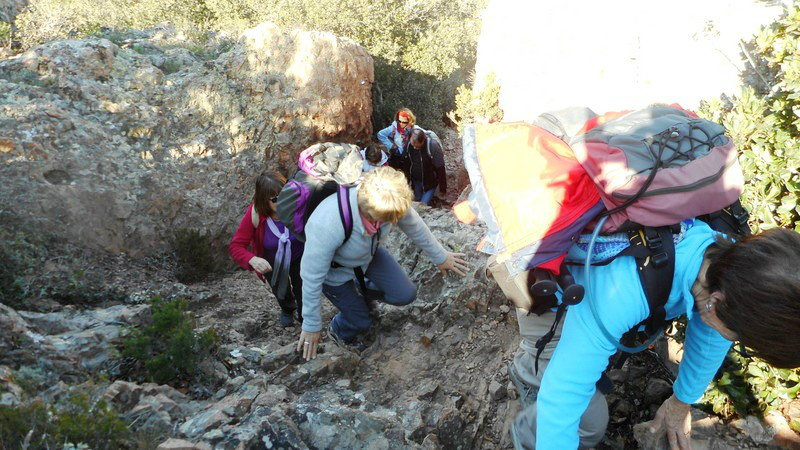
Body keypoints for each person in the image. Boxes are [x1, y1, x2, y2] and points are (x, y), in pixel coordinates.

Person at [503, 222, 800, 450]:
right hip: (549, 295)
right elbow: (564, 394)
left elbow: (711, 335)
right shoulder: (624, 294)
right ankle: (528, 378)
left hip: (596, 294)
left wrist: (681, 402)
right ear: (717, 301)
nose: (735, 341)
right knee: (590, 425)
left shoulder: (728, 261)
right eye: (741, 338)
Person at [295, 166, 469, 360]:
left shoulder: (391, 198)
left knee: (405, 294)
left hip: (367, 256)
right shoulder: (328, 223)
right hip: (334, 274)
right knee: (362, 321)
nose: (388, 223)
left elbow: (414, 226)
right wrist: (311, 325)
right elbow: (311, 276)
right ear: (369, 211)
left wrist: (441, 257)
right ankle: (339, 328)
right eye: (383, 220)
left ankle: (359, 293)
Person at [230, 172, 304, 327]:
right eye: (275, 199)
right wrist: (252, 259)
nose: (282, 201)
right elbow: (236, 246)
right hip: (271, 261)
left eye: (285, 195)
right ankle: (287, 309)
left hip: (299, 256)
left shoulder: (298, 205)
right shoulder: (255, 214)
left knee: (303, 288)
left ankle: (305, 316)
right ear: (264, 201)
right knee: (280, 290)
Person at [406, 128, 447, 204]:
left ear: (423, 140)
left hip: (430, 183)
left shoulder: (433, 146)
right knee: (417, 199)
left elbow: (440, 168)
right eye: (413, 145)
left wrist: (442, 189)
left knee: (423, 204)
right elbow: (408, 163)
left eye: (417, 146)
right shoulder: (409, 145)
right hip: (416, 181)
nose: (414, 148)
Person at [377, 108, 421, 173]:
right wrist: (391, 146)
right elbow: (380, 134)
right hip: (397, 156)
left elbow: (425, 135)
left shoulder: (415, 129)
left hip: (410, 157)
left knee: (408, 174)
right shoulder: (394, 128)